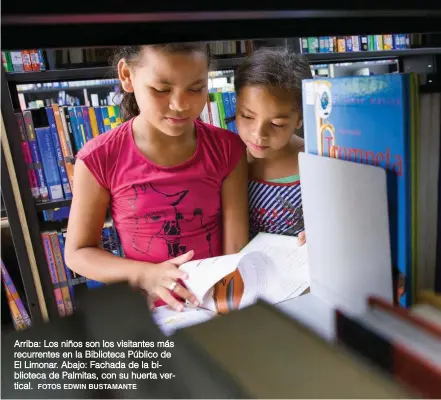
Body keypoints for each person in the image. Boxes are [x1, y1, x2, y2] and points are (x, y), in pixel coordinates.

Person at [64, 43, 249, 312]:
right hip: (151, 313)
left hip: (216, 305)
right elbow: (78, 253)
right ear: (127, 76)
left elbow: (235, 251)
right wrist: (145, 275)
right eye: (161, 89)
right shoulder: (99, 158)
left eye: (196, 88)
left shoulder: (227, 148)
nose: (180, 104)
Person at [234, 47, 312, 244]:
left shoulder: (314, 161)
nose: (258, 134)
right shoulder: (228, 159)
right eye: (247, 116)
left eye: (277, 124)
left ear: (300, 118)